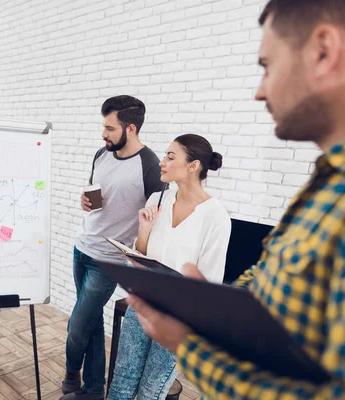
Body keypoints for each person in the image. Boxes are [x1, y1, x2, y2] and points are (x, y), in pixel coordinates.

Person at [128, 0, 345, 398]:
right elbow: (273, 289)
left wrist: (187, 345)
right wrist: (208, 301)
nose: (260, 91)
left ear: (324, 51)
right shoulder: (324, 185)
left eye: (267, 65)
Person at [107, 134, 231, 400]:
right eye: (164, 155)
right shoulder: (157, 199)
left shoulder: (216, 216)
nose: (162, 162)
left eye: (170, 157)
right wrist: (145, 227)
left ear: (193, 165)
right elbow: (139, 256)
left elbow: (209, 283)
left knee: (151, 390)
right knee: (121, 382)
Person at [61, 95, 165, 400]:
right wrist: (85, 201)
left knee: (77, 326)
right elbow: (96, 196)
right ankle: (93, 390)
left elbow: (155, 217)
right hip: (82, 247)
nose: (103, 134)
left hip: (109, 260)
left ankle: (71, 377)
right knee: (91, 322)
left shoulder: (149, 165)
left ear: (130, 128)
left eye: (110, 128)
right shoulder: (101, 154)